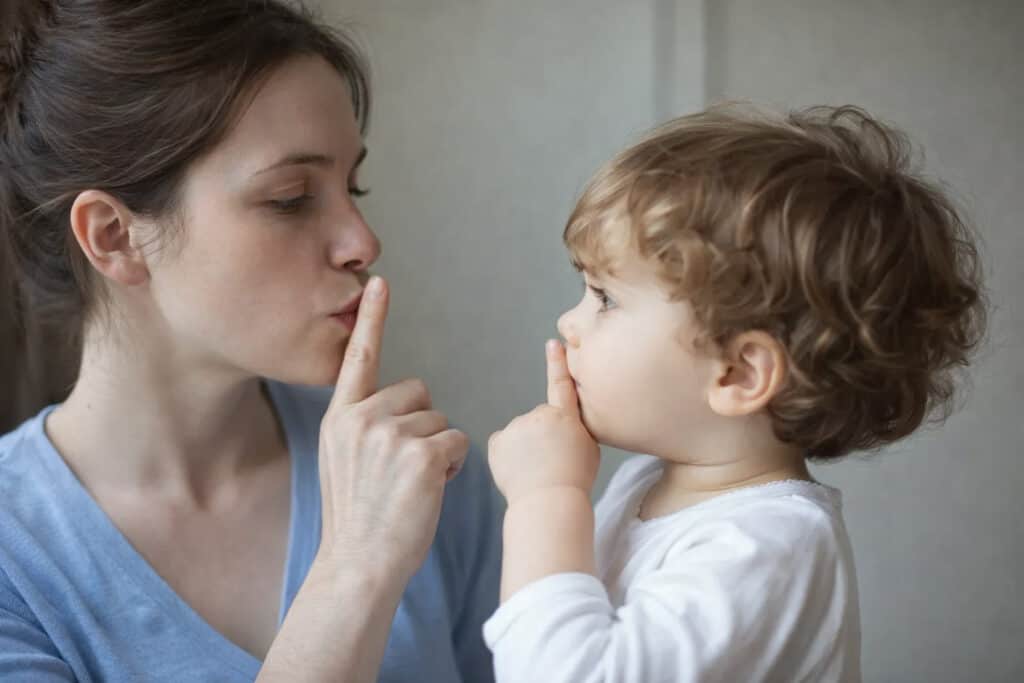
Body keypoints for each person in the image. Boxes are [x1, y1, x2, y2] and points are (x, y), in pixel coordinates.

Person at [0, 1, 499, 681]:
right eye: (291, 197)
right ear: (114, 237)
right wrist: (353, 570)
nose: (363, 242)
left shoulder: (425, 476)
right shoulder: (15, 562)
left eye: (353, 187)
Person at [485, 104, 987, 682]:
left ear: (738, 374)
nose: (569, 322)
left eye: (605, 298)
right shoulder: (645, 480)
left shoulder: (770, 547)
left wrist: (543, 497)